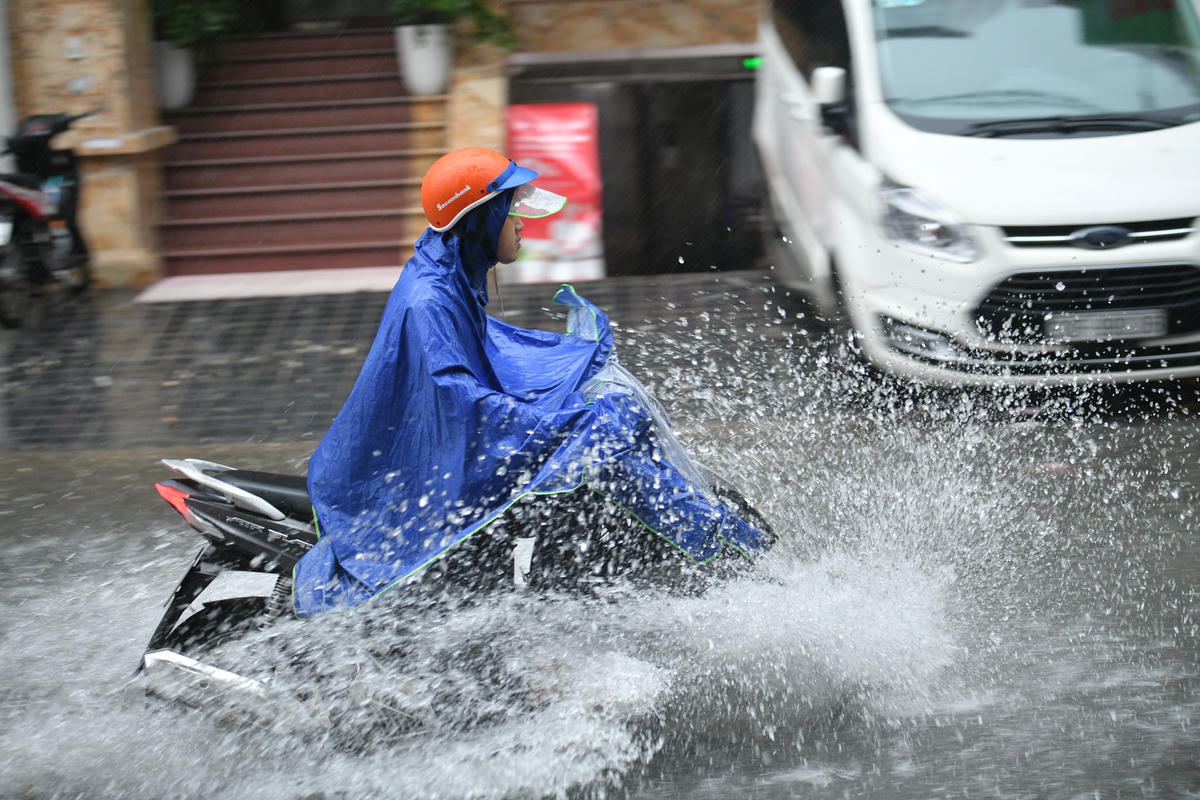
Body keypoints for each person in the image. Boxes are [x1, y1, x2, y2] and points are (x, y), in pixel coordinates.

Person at [292, 147, 771, 617]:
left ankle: (724, 544)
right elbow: (464, 404)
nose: (521, 222)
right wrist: (564, 423)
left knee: (609, 434)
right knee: (600, 451)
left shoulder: (452, 267)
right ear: (478, 217)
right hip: (414, 477)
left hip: (441, 446)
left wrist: (569, 384)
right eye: (510, 210)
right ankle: (720, 553)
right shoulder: (430, 300)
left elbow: (489, 358)